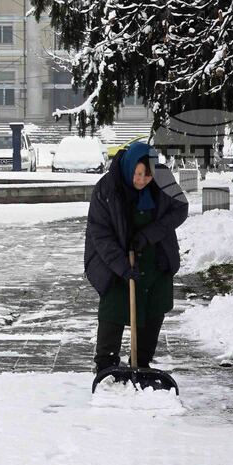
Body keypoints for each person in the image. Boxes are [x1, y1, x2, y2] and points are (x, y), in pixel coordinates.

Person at [85, 141, 188, 372]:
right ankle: (106, 363)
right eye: (138, 174)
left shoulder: (163, 178)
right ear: (130, 166)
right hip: (114, 259)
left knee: (154, 307)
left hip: (156, 257)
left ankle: (141, 362)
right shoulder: (107, 188)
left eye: (148, 176)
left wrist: (149, 235)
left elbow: (180, 208)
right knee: (114, 305)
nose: (142, 180)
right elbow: (100, 234)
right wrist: (122, 267)